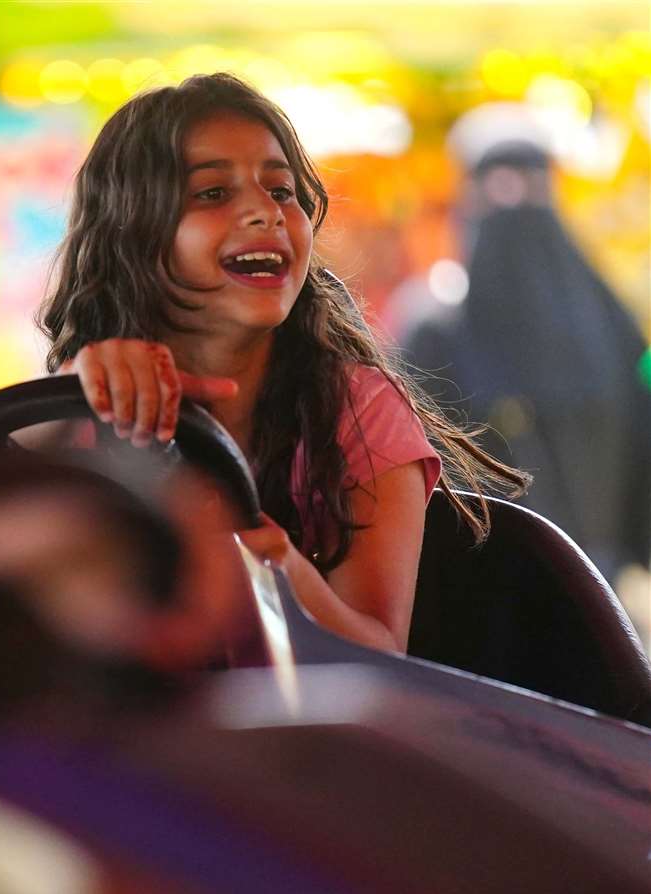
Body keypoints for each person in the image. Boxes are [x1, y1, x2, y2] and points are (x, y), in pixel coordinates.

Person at [37, 73, 526, 653]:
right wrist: (69, 399)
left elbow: (380, 654)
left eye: (281, 191)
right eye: (213, 194)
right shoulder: (80, 401)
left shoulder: (359, 410)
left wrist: (269, 561)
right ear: (133, 234)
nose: (264, 213)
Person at [397, 124, 650, 586]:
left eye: (528, 185)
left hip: (600, 583)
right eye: (496, 188)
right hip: (482, 580)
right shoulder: (436, 328)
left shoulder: (611, 323)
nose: (512, 203)